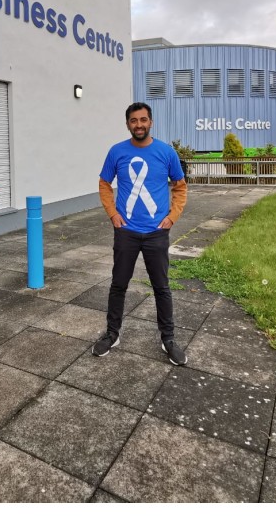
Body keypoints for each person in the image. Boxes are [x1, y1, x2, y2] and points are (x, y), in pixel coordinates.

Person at [92, 102, 189, 365]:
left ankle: (168, 339)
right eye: (134, 121)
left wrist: (172, 217)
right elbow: (104, 183)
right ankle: (112, 334)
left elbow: (180, 187)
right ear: (127, 124)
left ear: (151, 122)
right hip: (126, 232)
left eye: (143, 120)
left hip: (157, 233)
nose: (139, 125)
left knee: (162, 287)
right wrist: (113, 214)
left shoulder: (166, 153)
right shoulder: (117, 152)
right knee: (118, 285)